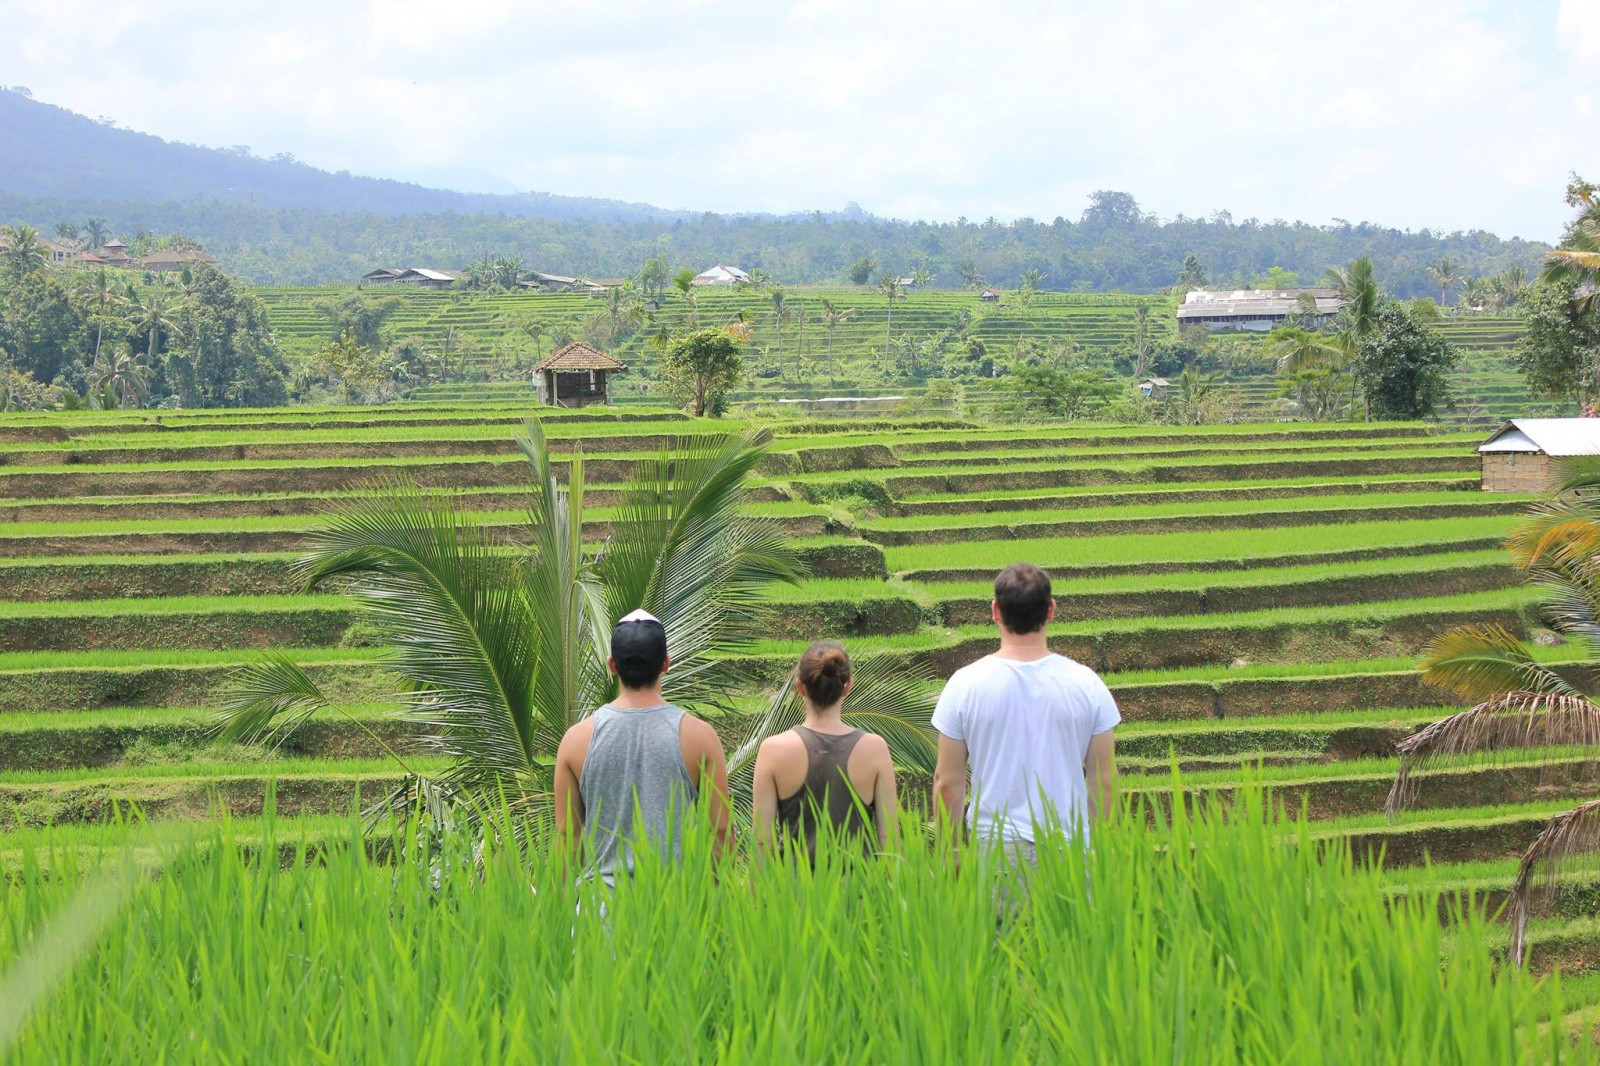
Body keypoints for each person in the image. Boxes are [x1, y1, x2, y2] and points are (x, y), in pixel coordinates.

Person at [931, 563, 1118, 862]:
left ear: (995, 611)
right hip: (1068, 849)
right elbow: (1103, 780)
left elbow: (946, 782)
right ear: (1051, 610)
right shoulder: (1087, 685)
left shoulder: (964, 684)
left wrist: (950, 856)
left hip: (994, 851)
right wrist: (1100, 850)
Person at [553, 609, 733, 884]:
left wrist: (558, 914)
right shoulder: (699, 736)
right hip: (675, 909)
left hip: (598, 914)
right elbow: (719, 829)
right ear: (666, 663)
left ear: (612, 665)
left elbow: (568, 837)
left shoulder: (576, 739)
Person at [752, 641, 898, 864]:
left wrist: (755, 896)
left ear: (800, 687)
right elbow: (889, 837)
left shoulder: (773, 750)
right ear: (848, 686)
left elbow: (762, 840)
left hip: (793, 894)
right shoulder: (874, 748)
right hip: (860, 893)